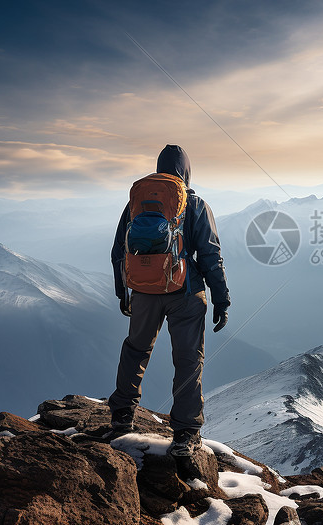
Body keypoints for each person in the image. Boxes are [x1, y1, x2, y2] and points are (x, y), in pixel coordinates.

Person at [108, 144, 231, 456]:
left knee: (136, 349)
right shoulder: (194, 203)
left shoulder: (137, 202)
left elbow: (118, 251)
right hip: (186, 293)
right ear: (186, 172)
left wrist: (124, 291)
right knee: (188, 361)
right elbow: (210, 254)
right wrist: (222, 298)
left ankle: (122, 414)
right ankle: (186, 434)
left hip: (144, 292)